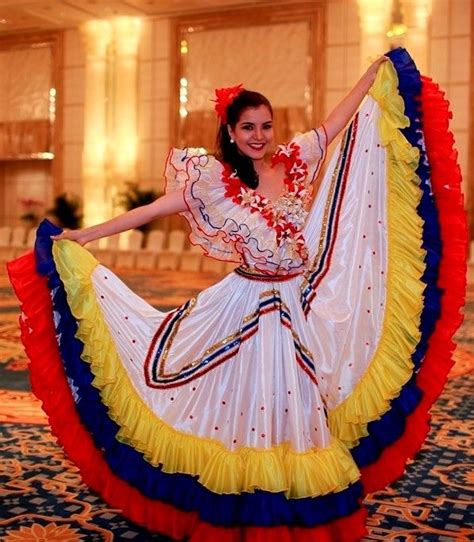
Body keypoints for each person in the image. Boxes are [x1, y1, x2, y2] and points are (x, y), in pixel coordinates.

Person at [7, 48, 466, 541]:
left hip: (294, 302)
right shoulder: (213, 182)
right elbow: (152, 210)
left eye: (266, 126)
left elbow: (335, 123)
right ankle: (240, 503)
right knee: (245, 398)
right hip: (247, 304)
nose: (259, 136)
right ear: (230, 131)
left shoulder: (293, 162)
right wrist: (85, 235)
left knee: (294, 400)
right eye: (248, 127)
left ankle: (290, 497)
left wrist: (372, 74)